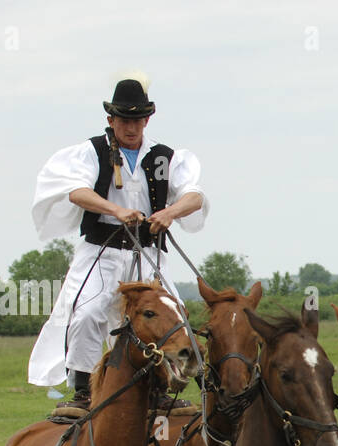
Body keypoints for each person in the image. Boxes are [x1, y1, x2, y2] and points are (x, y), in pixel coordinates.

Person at [27, 74, 207, 409]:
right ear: (111, 120)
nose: (131, 126)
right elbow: (76, 191)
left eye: (138, 120)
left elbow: (194, 197)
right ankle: (82, 392)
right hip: (102, 251)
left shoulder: (165, 157)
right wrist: (115, 210)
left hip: (149, 254)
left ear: (147, 119)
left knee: (171, 317)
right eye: (124, 119)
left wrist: (169, 213)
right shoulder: (92, 152)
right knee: (86, 313)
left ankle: (160, 390)